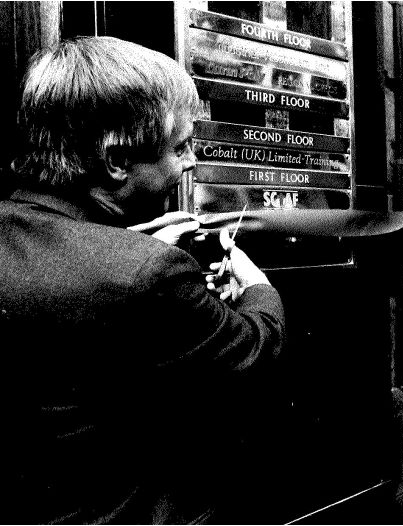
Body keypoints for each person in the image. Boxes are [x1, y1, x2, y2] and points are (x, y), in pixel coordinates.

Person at [0, 37, 284, 524]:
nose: (191, 163)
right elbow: (253, 349)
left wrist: (124, 246)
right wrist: (256, 286)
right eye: (180, 148)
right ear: (116, 159)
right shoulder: (146, 274)